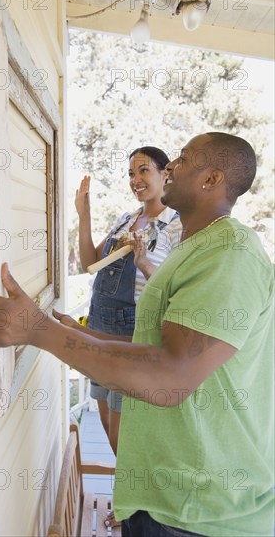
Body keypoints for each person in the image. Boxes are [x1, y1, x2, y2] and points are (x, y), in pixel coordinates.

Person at [0, 132, 274, 537]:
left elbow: (171, 377)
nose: (170, 167)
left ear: (211, 180)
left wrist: (39, 330)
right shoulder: (194, 247)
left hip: (200, 512)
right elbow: (156, 346)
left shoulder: (230, 254)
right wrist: (80, 336)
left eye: (182, 161)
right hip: (163, 498)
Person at [75, 146, 182, 456]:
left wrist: (145, 262)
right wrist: (85, 215)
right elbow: (90, 262)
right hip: (98, 327)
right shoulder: (126, 219)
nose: (136, 179)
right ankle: (124, 501)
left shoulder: (176, 227)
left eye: (143, 170)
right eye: (131, 174)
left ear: (165, 174)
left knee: (126, 434)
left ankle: (133, 503)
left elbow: (171, 291)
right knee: (108, 424)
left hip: (133, 334)